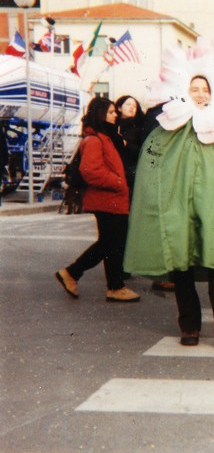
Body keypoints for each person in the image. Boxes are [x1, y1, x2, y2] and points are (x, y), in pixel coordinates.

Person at [124, 38, 214, 351]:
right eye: (195, 88)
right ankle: (189, 327)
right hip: (176, 208)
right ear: (184, 90)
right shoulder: (166, 129)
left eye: (205, 89)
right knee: (181, 265)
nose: (200, 94)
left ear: (213, 93)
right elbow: (152, 166)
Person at [55, 97, 140, 303]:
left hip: (114, 200)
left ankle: (112, 285)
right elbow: (91, 171)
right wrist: (119, 182)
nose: (115, 115)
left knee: (111, 244)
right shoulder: (94, 140)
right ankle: (75, 273)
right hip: (107, 200)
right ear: (101, 113)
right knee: (110, 244)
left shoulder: (107, 137)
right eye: (111, 112)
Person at [114, 95, 146, 192]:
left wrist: (126, 144)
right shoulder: (113, 125)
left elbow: (142, 151)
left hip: (130, 171)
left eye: (134, 106)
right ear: (119, 108)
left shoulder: (139, 128)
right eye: (128, 104)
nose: (132, 107)